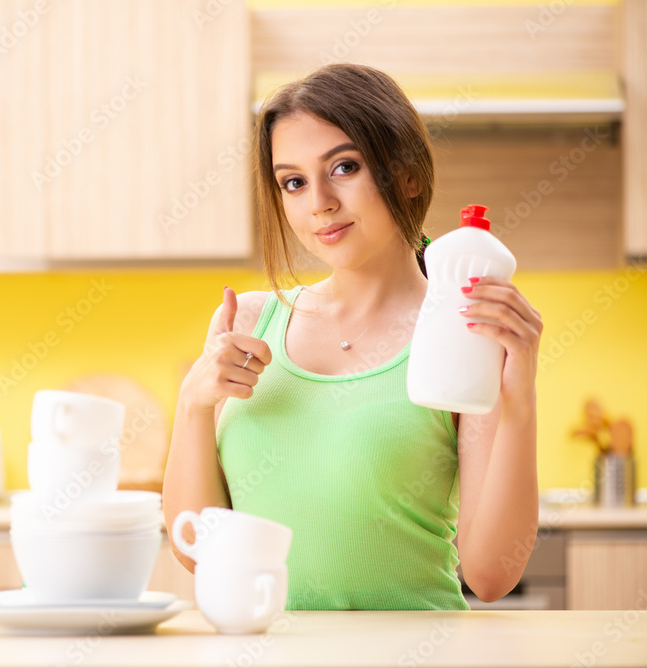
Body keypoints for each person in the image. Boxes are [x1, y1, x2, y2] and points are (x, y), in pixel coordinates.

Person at [162, 63, 543, 610]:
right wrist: (193, 405)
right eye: (292, 181)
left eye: (343, 167)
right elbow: (197, 549)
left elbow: (489, 576)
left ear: (407, 174)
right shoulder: (247, 322)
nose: (318, 201)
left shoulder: (458, 334)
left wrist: (519, 401)